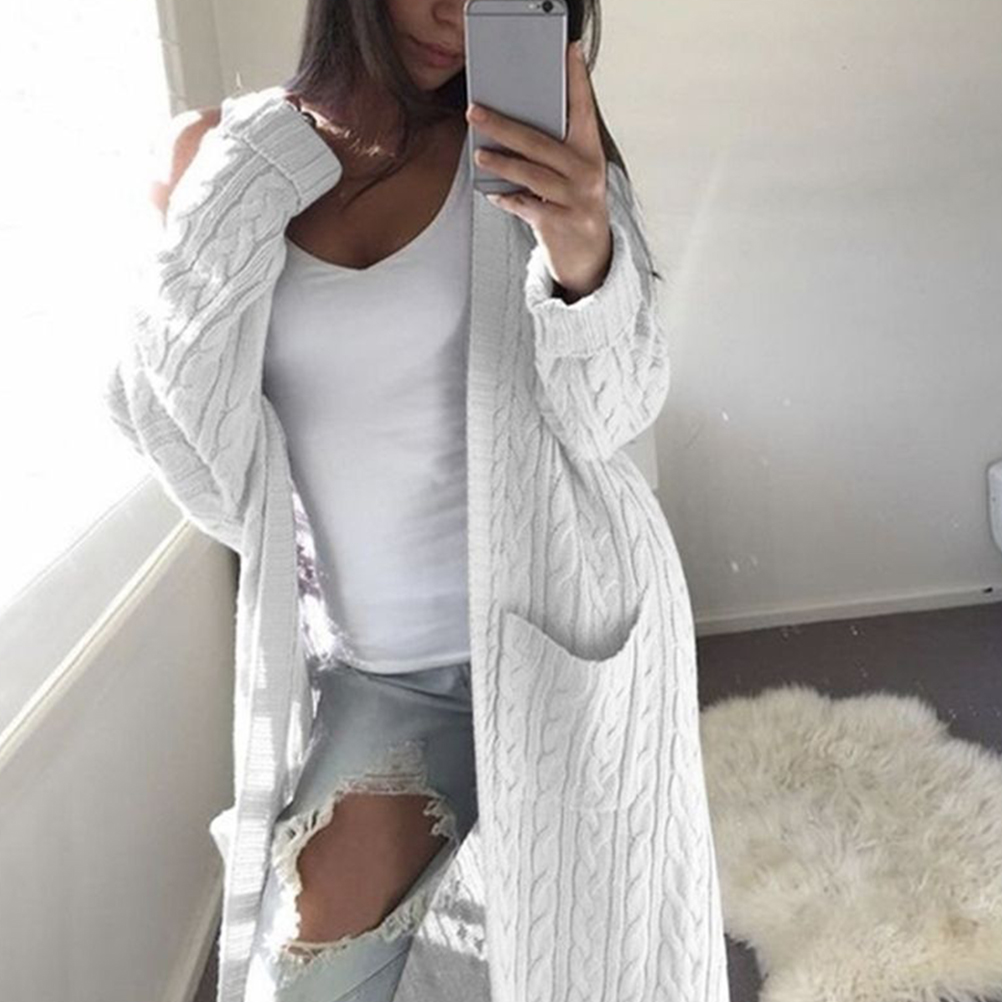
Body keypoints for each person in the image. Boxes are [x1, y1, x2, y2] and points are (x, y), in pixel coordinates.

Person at [113, 1, 731, 1000]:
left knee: (587, 966)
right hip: (387, 673)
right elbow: (180, 437)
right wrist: (230, 187)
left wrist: (584, 254)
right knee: (300, 980)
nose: (454, 11)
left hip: (570, 639)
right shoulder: (226, 160)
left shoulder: (535, 155)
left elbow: (610, 414)